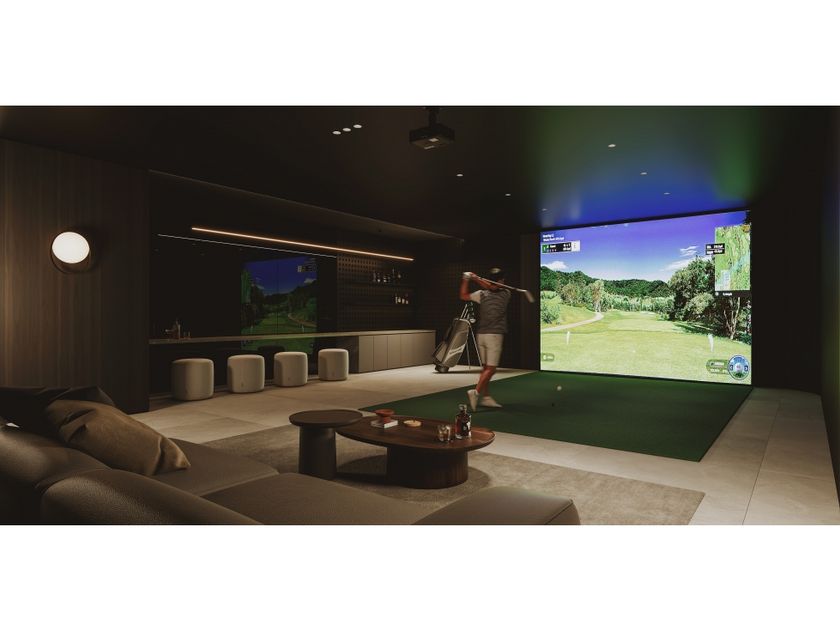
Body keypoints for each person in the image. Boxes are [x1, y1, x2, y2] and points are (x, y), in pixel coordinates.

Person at [459, 267, 512, 411]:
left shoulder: (481, 294)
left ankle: (487, 397)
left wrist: (467, 279)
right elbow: (492, 287)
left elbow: (463, 295)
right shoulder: (506, 293)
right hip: (494, 336)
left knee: (485, 369)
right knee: (491, 369)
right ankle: (475, 392)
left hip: (481, 335)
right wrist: (475, 278)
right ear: (501, 280)